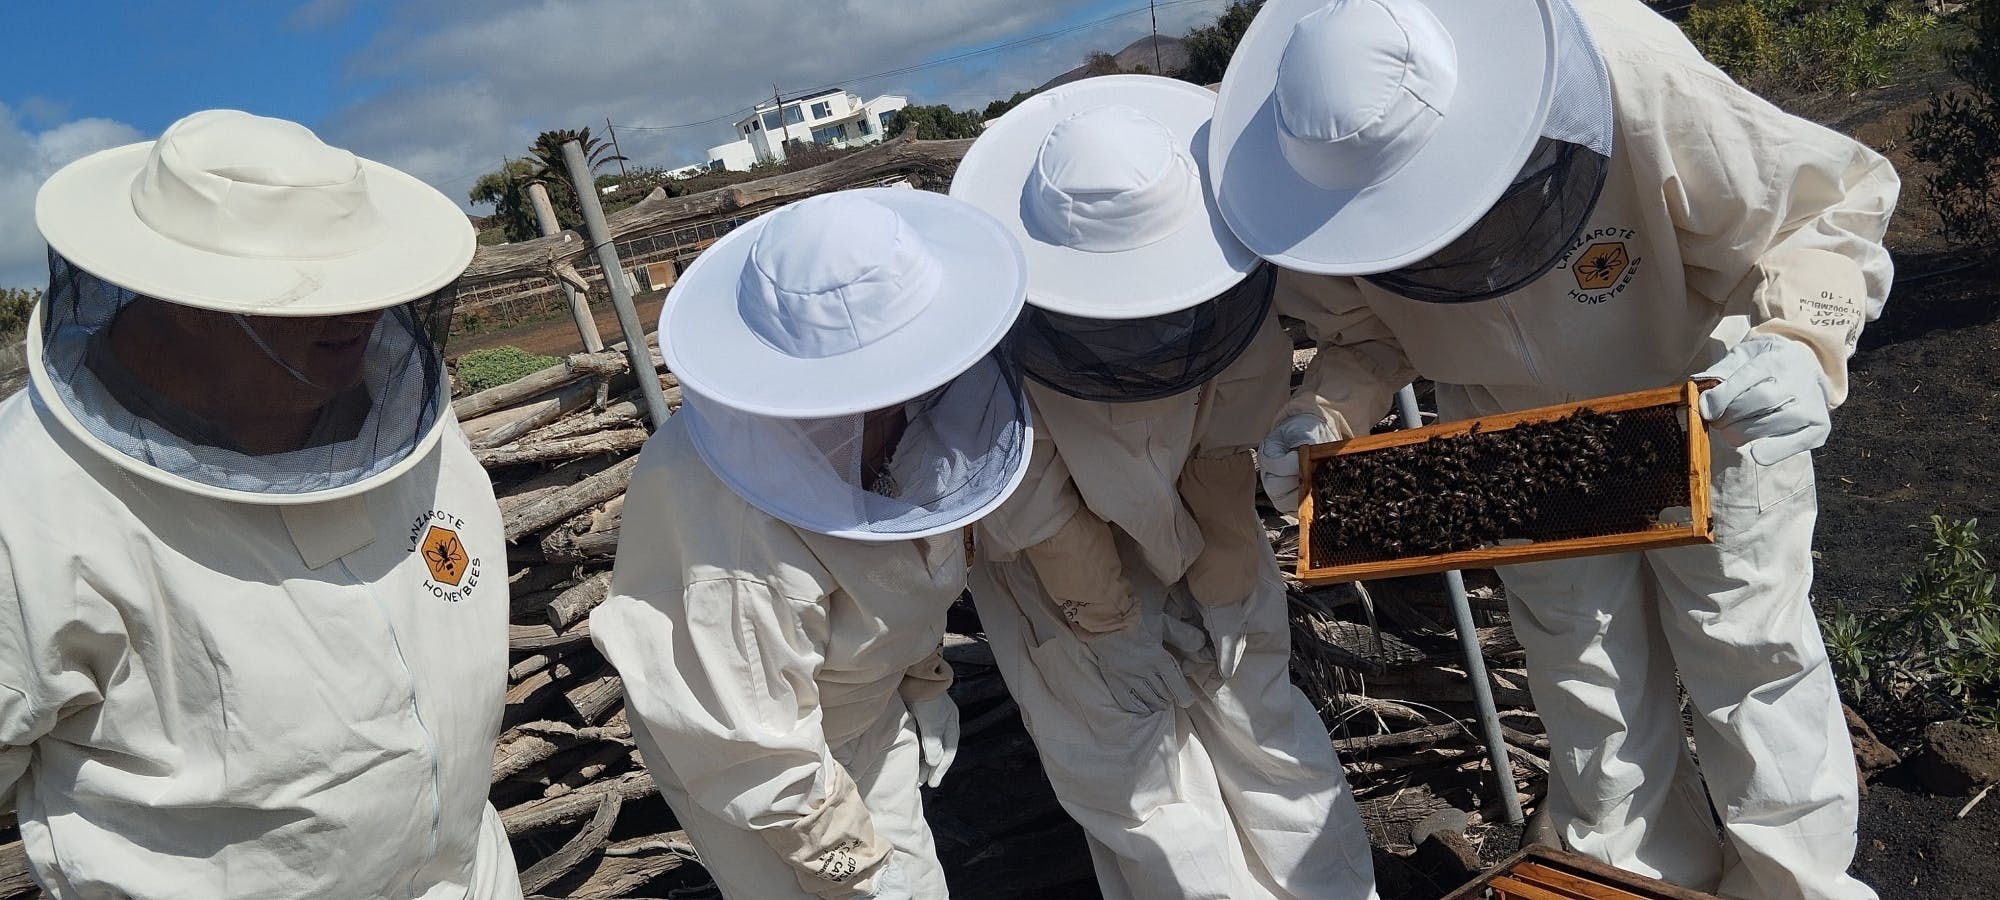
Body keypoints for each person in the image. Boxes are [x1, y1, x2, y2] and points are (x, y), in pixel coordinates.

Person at [1208, 0, 1898, 897]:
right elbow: (1366, 330)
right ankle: (1635, 875)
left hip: (1704, 396)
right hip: (1515, 445)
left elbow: (1823, 204)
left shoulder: (1626, 66)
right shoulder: (1307, 178)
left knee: (1748, 657)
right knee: (1584, 672)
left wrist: (1803, 337)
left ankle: (1791, 883)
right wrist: (1324, 413)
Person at [0, 109, 521, 897]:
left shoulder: (406, 422)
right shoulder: (28, 497)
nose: (361, 313)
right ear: (183, 299)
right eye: (312, 290)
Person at [948, 74, 1379, 899]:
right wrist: (1105, 621)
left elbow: (1224, 444)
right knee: (1149, 794)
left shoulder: (1232, 271)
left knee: (1267, 735)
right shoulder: (985, 333)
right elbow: (1031, 500)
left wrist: (1222, 572)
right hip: (1056, 574)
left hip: (1198, 527)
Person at [588, 188, 1032, 900]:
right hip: (749, 764)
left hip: (862, 714)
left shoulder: (918, 415)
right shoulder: (725, 516)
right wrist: (851, 864)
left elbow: (901, 572)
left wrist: (924, 679)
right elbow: (752, 739)